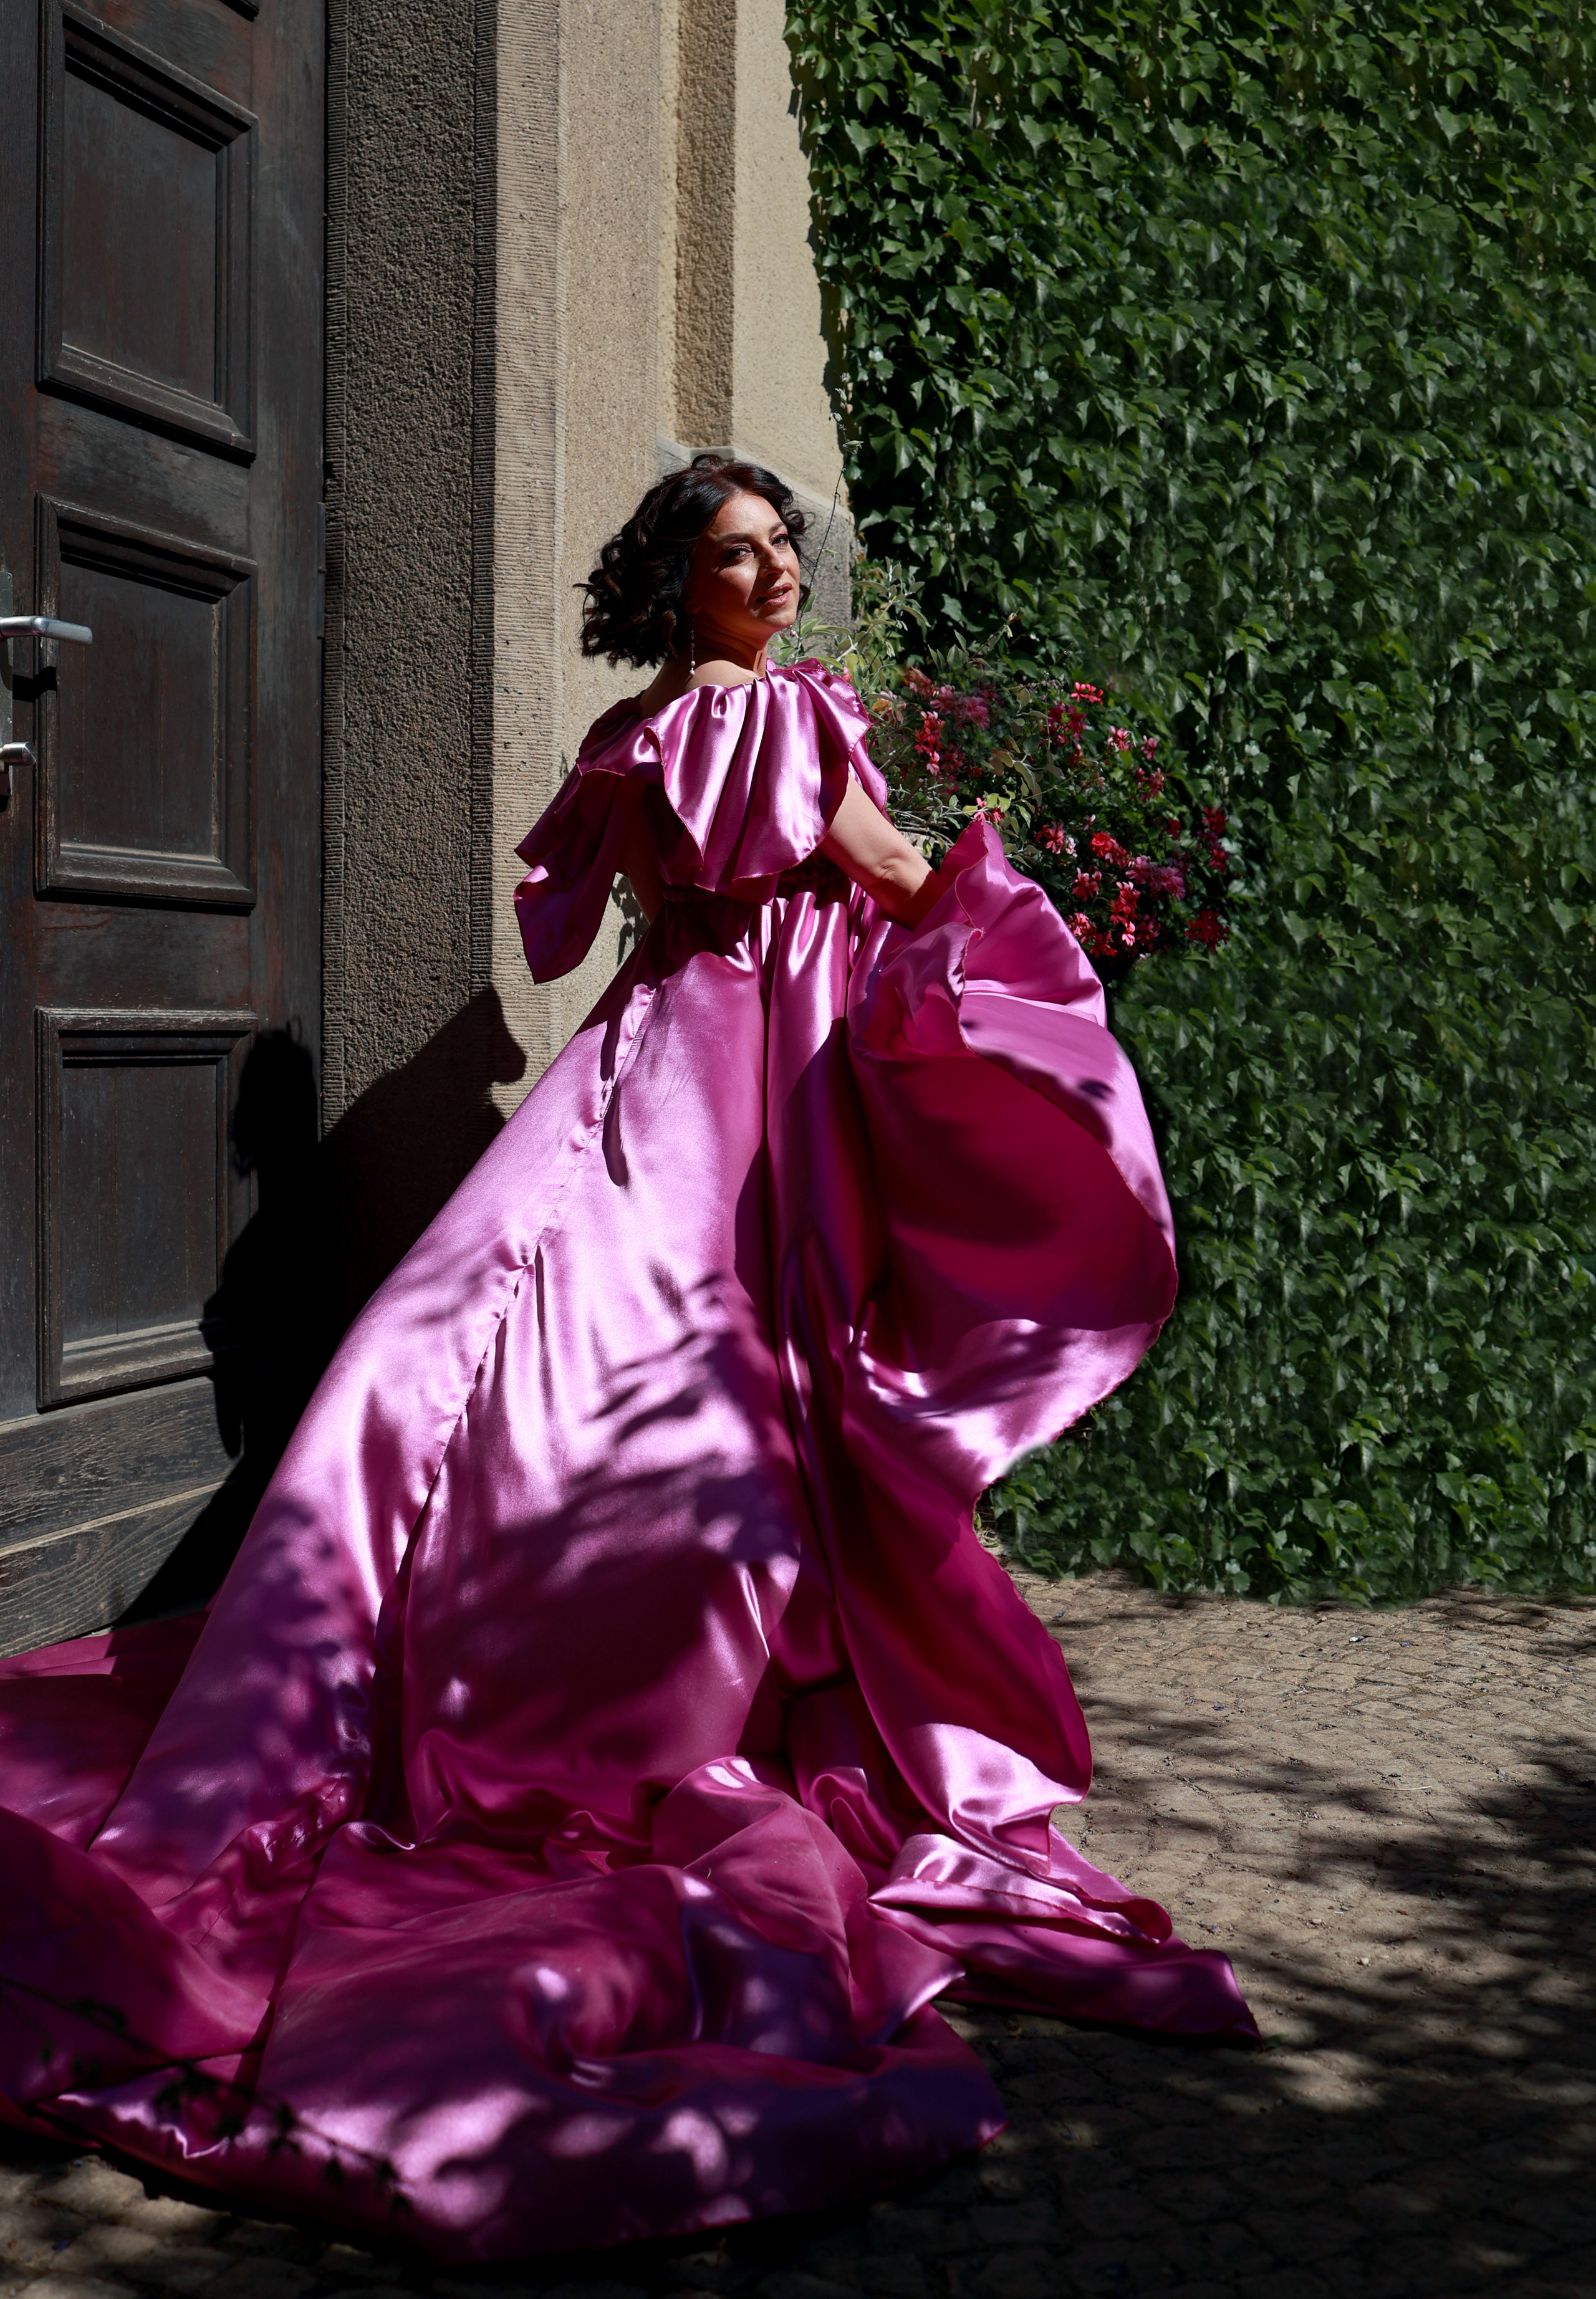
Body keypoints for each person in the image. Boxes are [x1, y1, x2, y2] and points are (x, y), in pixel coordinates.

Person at [0, 454, 1254, 2262]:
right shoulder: (766, 714)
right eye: (735, 557)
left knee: (554, 1363)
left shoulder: (645, 723)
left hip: (658, 1048)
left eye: (777, 551)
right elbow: (885, 874)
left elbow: (590, 921)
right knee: (708, 1391)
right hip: (735, 1083)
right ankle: (628, 1719)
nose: (772, 576)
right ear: (683, 589)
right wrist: (1021, 935)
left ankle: (486, 1677)